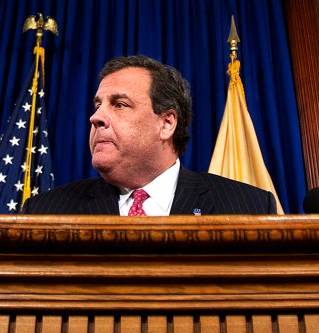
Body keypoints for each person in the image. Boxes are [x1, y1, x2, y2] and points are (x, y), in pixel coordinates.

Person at [22, 55, 277, 215]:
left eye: (119, 104)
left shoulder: (248, 207)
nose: (96, 117)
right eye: (97, 105)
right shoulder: (46, 212)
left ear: (166, 123)